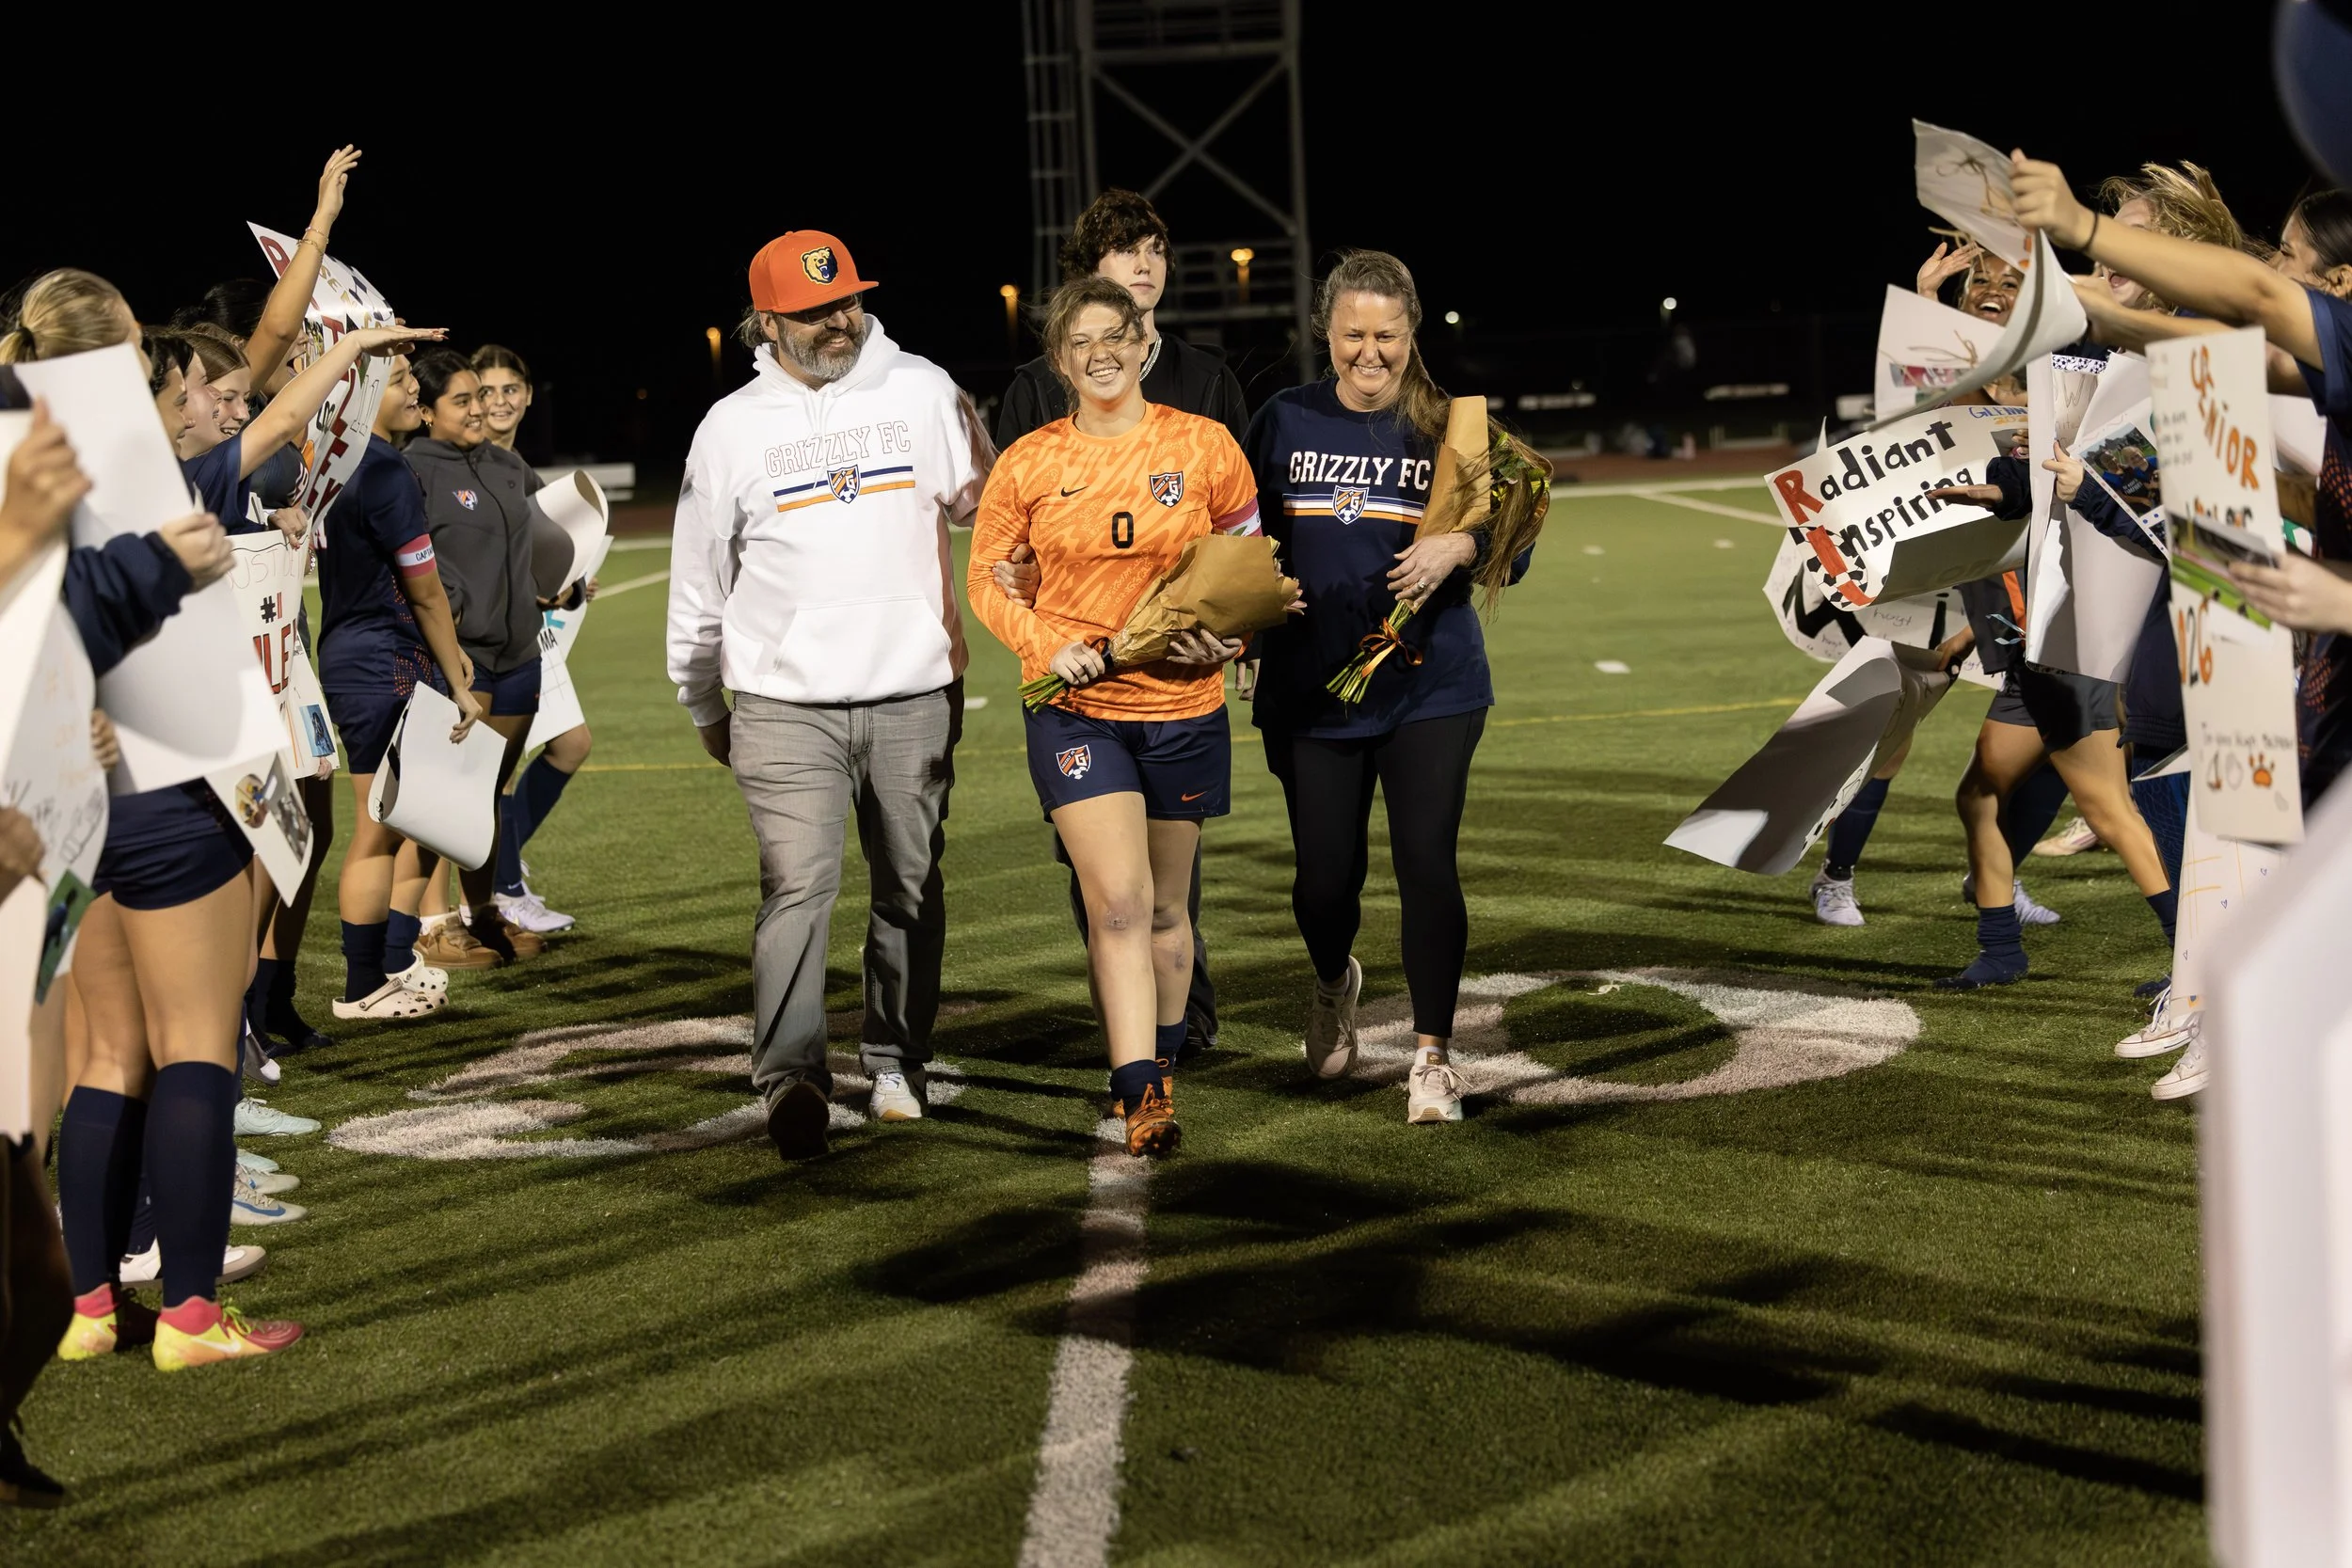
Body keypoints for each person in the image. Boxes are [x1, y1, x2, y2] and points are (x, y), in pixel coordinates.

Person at [5, 284, 304, 1372]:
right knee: (193, 1048)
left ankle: (87, 1302)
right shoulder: (129, 460)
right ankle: (187, 1312)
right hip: (168, 779)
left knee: (101, 1054)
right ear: (133, 348)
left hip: (61, 793)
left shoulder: (14, 450)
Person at [667, 230, 990, 1163]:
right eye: (814, 311)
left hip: (914, 692)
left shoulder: (925, 389)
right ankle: (791, 1076)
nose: (839, 320)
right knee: (799, 885)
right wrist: (701, 702)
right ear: (767, 322)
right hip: (781, 702)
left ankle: (895, 1057)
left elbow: (998, 507)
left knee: (912, 885)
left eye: (846, 300)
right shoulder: (730, 427)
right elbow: (699, 582)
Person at [1242, 250, 1544, 1125]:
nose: (1368, 354)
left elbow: (1513, 547)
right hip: (1311, 687)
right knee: (1324, 882)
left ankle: (1432, 1056)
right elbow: (1239, 533)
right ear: (1324, 334)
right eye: (1351, 336)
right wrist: (1255, 597)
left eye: (1386, 336)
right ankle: (1335, 979)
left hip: (1433, 684)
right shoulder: (1282, 419)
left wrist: (1462, 546)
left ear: (1412, 335)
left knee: (1426, 861)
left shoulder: (1453, 425)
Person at [969, 274, 1269, 1156]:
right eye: (1079, 342)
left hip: (1184, 706)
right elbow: (987, 578)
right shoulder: (1028, 460)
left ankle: (1162, 1065)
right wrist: (1040, 644)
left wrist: (1230, 639)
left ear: (1144, 342)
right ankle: (1138, 1090)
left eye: (1115, 336)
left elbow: (1246, 567)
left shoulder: (1207, 444)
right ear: (1060, 359)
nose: (1099, 354)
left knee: (1171, 910)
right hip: (1077, 710)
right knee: (1121, 902)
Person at [993, 189, 1245, 1065]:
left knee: (1168, 888)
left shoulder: (1207, 385)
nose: (1144, 264)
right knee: (1108, 885)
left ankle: (1181, 1031)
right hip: (1076, 685)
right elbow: (1009, 549)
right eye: (1123, 251)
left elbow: (1241, 546)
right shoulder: (1033, 398)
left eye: (1155, 249)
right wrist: (1033, 616)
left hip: (1180, 685)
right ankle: (1131, 1045)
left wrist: (1241, 636)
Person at [318, 354, 482, 1018]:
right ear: (359, 393)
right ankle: (363, 985)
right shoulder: (382, 467)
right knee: (381, 826)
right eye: (400, 378)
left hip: (359, 650)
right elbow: (423, 585)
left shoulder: (338, 457)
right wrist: (458, 672)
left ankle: (387, 962)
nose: (416, 387)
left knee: (396, 818)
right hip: (383, 654)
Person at [402, 349, 552, 966]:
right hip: (462, 657)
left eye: (481, 397)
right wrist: (454, 611)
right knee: (445, 799)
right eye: (462, 399)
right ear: (429, 411)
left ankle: (483, 910)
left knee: (487, 792)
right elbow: (406, 559)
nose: (481, 408)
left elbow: (543, 536)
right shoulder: (413, 467)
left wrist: (557, 581)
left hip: (521, 653)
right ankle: (431, 923)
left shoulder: (506, 464)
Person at [472, 343, 586, 936]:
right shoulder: (462, 466)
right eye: (485, 391)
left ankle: (502, 862)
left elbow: (544, 560)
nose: (498, 402)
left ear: (527, 394)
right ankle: (505, 887)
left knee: (572, 744)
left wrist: (573, 577)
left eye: (509, 389)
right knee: (501, 766)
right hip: (490, 639)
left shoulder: (524, 473)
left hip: (530, 635)